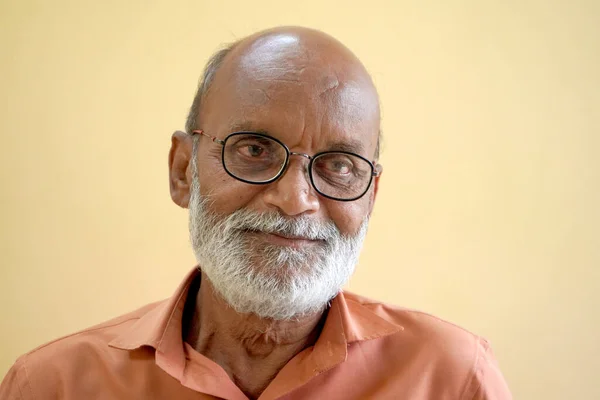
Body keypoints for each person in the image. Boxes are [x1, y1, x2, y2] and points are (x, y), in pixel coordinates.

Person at [0, 26, 512, 399]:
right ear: (184, 170)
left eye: (338, 165)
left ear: (370, 196)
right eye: (254, 150)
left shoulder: (451, 378)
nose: (295, 200)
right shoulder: (54, 386)